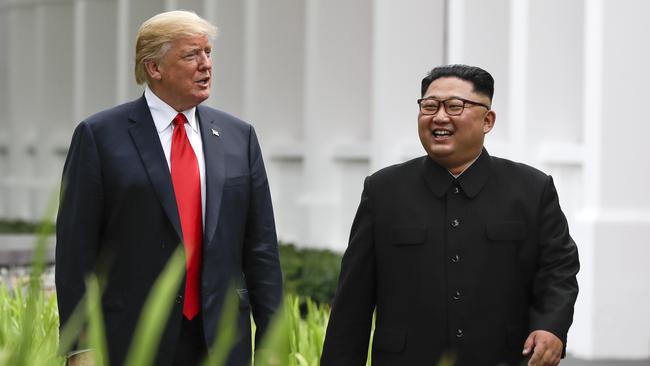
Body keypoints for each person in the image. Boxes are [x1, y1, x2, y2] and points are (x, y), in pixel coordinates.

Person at [55, 10, 282, 366]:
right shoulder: (99, 137)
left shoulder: (241, 138)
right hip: (132, 340)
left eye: (208, 53)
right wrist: (80, 345)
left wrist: (271, 341)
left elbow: (262, 248)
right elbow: (75, 251)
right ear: (154, 68)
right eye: (191, 55)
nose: (206, 65)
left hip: (221, 342)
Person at [321, 64, 579, 366]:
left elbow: (558, 269)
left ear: (488, 120)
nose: (439, 117)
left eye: (455, 106)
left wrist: (551, 326)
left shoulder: (532, 189)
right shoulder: (383, 191)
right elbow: (353, 299)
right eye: (429, 106)